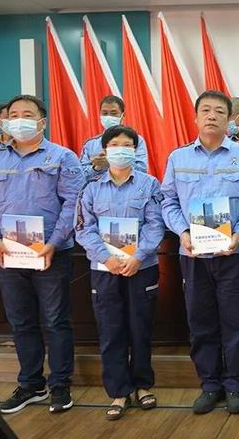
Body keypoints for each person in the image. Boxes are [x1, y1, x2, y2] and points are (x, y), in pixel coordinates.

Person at [0, 94, 84, 414]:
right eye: (14, 114)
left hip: (51, 254)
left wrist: (54, 242)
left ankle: (60, 385)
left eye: (27, 114)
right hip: (8, 254)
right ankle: (32, 384)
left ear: (42, 122)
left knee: (56, 321)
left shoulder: (62, 157)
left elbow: (74, 204)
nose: (19, 119)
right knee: (21, 321)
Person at [161, 90, 239, 415]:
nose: (212, 116)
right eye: (206, 110)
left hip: (234, 254)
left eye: (219, 111)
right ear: (196, 117)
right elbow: (168, 201)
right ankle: (210, 385)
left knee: (236, 323)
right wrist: (183, 233)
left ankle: (235, 385)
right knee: (200, 322)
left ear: (230, 119)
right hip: (193, 256)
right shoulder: (178, 158)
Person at [75, 125, 166, 420]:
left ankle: (143, 385)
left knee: (141, 329)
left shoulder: (150, 185)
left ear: (136, 150)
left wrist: (138, 257)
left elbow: (156, 224)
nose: (121, 149)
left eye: (127, 144)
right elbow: (83, 228)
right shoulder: (91, 188)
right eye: (115, 144)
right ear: (105, 150)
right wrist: (106, 257)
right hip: (105, 270)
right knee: (111, 331)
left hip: (142, 268)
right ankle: (118, 391)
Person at [80, 95, 149, 180]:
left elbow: (142, 170)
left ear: (123, 115)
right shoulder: (90, 144)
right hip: (98, 187)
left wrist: (113, 163)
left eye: (114, 113)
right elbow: (81, 176)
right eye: (105, 113)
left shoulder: (136, 140)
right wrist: (96, 168)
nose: (109, 117)